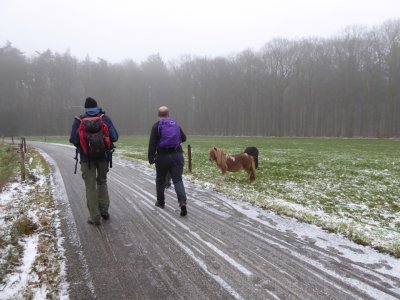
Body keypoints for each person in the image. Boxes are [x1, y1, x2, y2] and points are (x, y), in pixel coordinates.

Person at [69, 97, 119, 225]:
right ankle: (104, 211)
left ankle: (95, 217)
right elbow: (115, 137)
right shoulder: (104, 118)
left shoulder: (79, 120)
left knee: (90, 186)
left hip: (87, 159)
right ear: (97, 106)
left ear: (85, 108)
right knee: (102, 182)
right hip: (103, 157)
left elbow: (73, 140)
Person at [148, 106, 188, 216]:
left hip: (162, 157)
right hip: (177, 156)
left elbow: (152, 144)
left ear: (158, 115)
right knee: (178, 180)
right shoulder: (175, 124)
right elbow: (184, 138)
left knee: (160, 180)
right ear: (168, 114)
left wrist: (151, 158)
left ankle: (160, 202)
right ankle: (182, 202)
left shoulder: (156, 126)